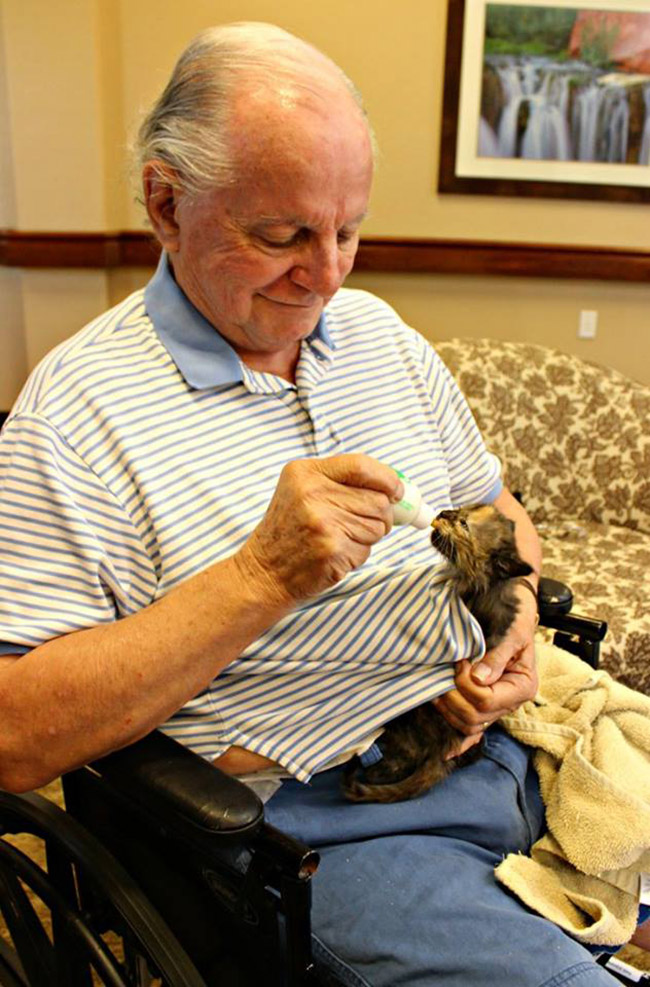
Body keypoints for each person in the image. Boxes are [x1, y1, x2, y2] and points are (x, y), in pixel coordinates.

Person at [0, 21, 644, 986]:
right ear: (165, 203)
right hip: (318, 828)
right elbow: (14, 735)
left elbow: (497, 513)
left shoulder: (378, 334)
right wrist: (261, 577)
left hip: (511, 744)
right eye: (282, 235)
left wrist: (510, 627)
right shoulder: (74, 414)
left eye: (347, 229)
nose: (329, 272)